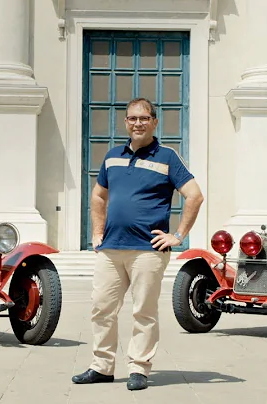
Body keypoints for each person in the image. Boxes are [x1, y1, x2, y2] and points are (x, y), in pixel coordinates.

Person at [72, 97, 204, 390]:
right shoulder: (112, 157)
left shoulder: (168, 157)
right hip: (111, 248)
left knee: (143, 311)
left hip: (148, 250)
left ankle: (139, 369)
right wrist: (96, 232)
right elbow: (97, 196)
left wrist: (178, 236)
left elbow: (194, 196)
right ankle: (102, 366)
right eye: (132, 118)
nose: (138, 123)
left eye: (144, 118)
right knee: (101, 308)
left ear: (154, 122)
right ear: (126, 122)